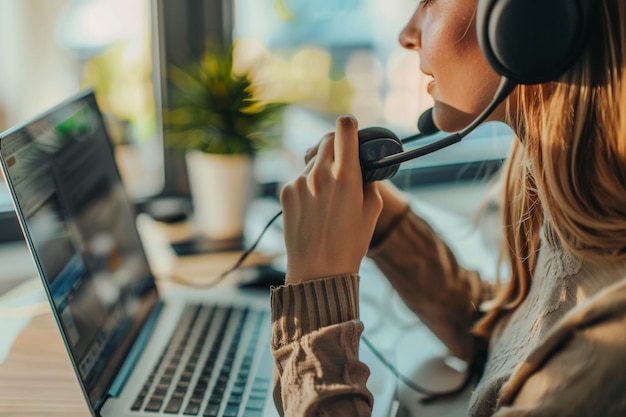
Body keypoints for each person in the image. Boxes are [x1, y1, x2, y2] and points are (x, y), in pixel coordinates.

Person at [271, 0, 626, 416]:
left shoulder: (606, 343)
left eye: (429, 2)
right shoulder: (575, 209)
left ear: (532, 15)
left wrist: (315, 296)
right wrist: (386, 223)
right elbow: (510, 345)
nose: (406, 33)